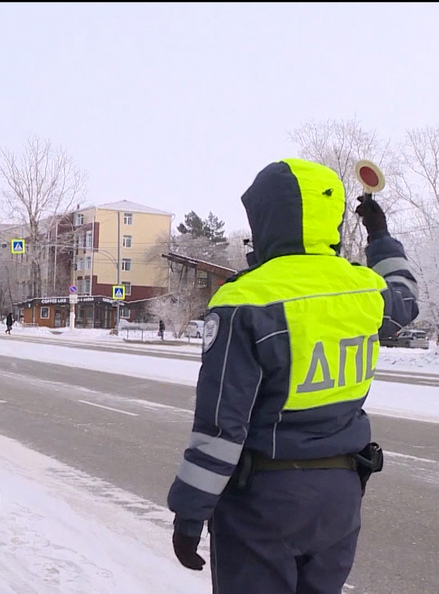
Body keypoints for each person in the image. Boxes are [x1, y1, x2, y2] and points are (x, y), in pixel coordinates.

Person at [166, 158, 419, 593]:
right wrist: (380, 235)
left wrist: (191, 512)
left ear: (266, 219)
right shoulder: (364, 290)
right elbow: (406, 299)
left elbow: (222, 427)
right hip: (339, 500)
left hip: (263, 504)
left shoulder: (246, 300)